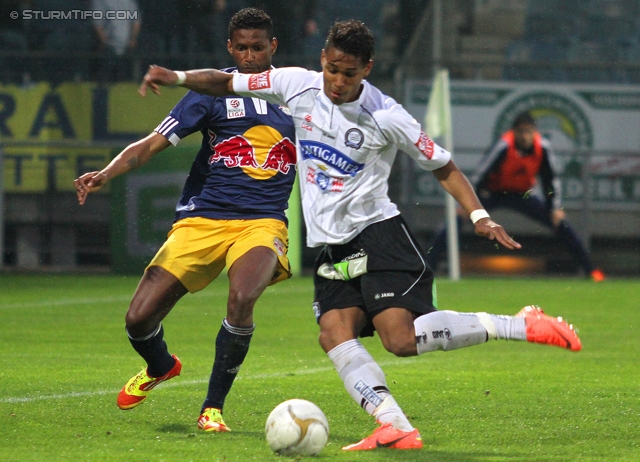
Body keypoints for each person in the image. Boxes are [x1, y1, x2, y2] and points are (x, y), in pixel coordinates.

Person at [138, 19, 582, 451]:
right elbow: (223, 83)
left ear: (366, 69)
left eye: (348, 73)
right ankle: (396, 427)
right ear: (323, 60)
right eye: (332, 69)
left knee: (400, 341)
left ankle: (520, 325)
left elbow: (443, 166)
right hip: (335, 244)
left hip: (379, 234)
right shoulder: (296, 84)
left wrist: (480, 215)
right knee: (333, 333)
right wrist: (176, 77)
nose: (337, 81)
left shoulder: (387, 115)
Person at [74, 8, 297, 433]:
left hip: (263, 223)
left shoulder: (296, 94)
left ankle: (212, 408)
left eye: (258, 47)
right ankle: (160, 365)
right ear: (230, 48)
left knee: (242, 299)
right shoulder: (211, 92)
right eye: (242, 48)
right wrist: (107, 172)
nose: (250, 56)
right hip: (203, 220)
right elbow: (152, 143)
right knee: (138, 320)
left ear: (273, 47)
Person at [426, 111, 605, 282]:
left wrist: (554, 208)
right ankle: (428, 267)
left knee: (561, 224)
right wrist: (468, 206)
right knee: (454, 221)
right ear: (514, 132)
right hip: (493, 193)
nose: (525, 136)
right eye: (521, 131)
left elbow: (550, 180)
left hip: (522, 195)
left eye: (528, 132)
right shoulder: (504, 145)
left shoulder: (542, 147)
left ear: (534, 132)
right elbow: (480, 175)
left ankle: (591, 270)